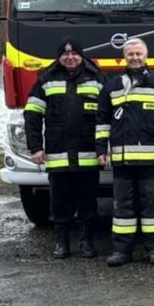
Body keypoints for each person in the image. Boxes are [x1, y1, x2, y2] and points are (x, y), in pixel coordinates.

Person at [96, 38, 154, 267]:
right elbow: (102, 120)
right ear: (124, 57)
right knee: (122, 205)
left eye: (138, 54)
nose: (134, 58)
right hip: (122, 161)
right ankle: (122, 250)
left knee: (152, 204)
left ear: (146, 56)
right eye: (130, 54)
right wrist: (101, 149)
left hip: (151, 159)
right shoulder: (112, 85)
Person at [25, 38, 106, 259]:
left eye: (74, 54)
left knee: (88, 202)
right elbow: (32, 116)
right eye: (65, 54)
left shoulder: (97, 78)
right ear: (59, 57)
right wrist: (35, 147)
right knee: (60, 203)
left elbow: (107, 116)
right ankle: (62, 243)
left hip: (88, 155)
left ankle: (87, 242)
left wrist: (104, 148)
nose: (70, 58)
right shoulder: (46, 79)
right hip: (58, 155)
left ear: (81, 56)